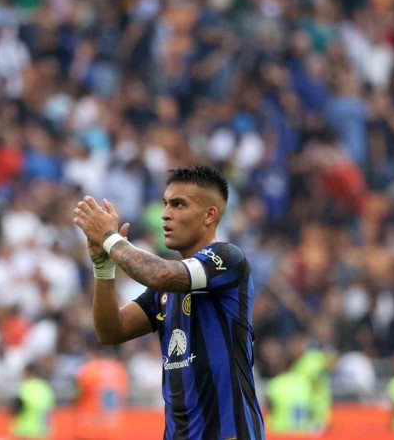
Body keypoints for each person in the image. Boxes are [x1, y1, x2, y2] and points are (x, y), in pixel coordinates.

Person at [73, 164, 266, 439]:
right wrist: (103, 268)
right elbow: (111, 331)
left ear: (209, 215)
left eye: (178, 204)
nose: (165, 214)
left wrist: (109, 238)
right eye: (165, 204)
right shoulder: (165, 290)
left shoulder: (227, 258)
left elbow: (158, 273)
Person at [73, 341, 129, 440]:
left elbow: (78, 392)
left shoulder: (90, 367)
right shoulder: (119, 369)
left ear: (96, 351)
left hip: (89, 425)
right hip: (112, 426)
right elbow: (123, 395)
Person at [10, 363, 55, 439]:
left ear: (28, 373)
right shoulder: (46, 388)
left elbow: (16, 408)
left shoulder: (25, 388)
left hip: (25, 432)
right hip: (43, 432)